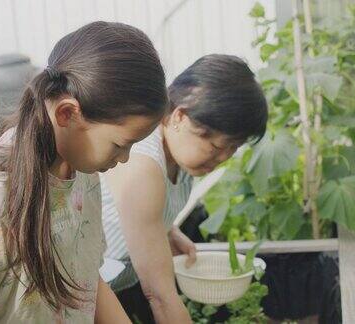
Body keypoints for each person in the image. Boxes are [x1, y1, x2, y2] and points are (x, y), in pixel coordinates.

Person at [0, 21, 168, 323]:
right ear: (66, 113)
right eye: (121, 145)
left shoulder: (83, 173)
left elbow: (87, 278)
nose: (124, 158)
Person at [101, 54, 269, 323]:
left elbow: (138, 212)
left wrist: (168, 230)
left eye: (233, 148)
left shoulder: (181, 158)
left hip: (112, 283)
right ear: (180, 116)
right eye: (215, 146)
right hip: (83, 291)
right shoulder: (143, 164)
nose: (223, 157)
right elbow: (159, 294)